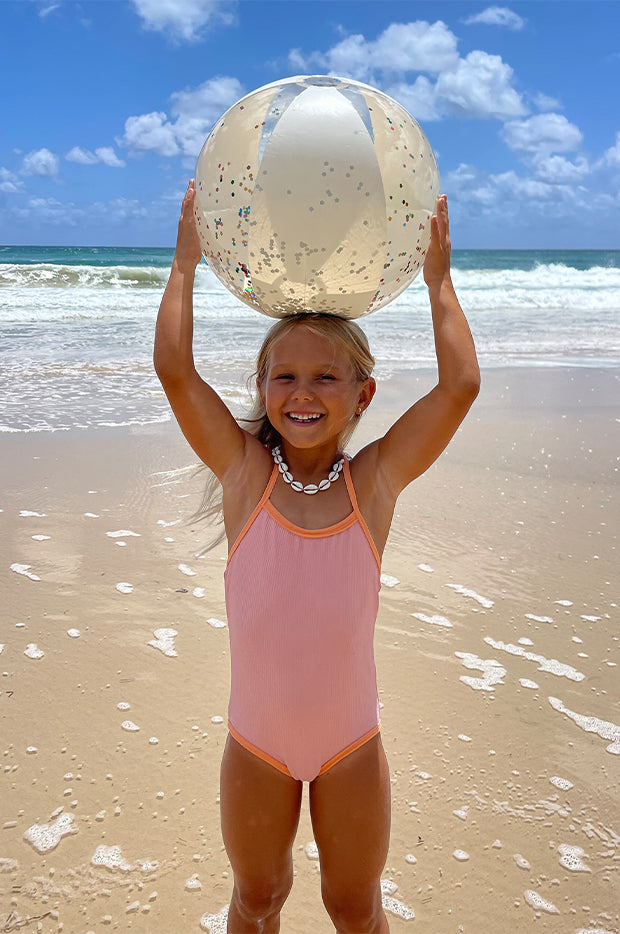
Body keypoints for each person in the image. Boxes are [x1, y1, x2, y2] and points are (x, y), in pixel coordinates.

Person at [154, 179, 480, 934]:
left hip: (350, 745)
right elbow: (175, 370)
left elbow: (461, 385)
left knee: (353, 908)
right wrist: (183, 263)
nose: (303, 393)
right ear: (264, 388)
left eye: (325, 377)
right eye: (285, 377)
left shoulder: (375, 484)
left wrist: (439, 282)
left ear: (362, 396)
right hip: (257, 743)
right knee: (257, 898)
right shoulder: (245, 478)